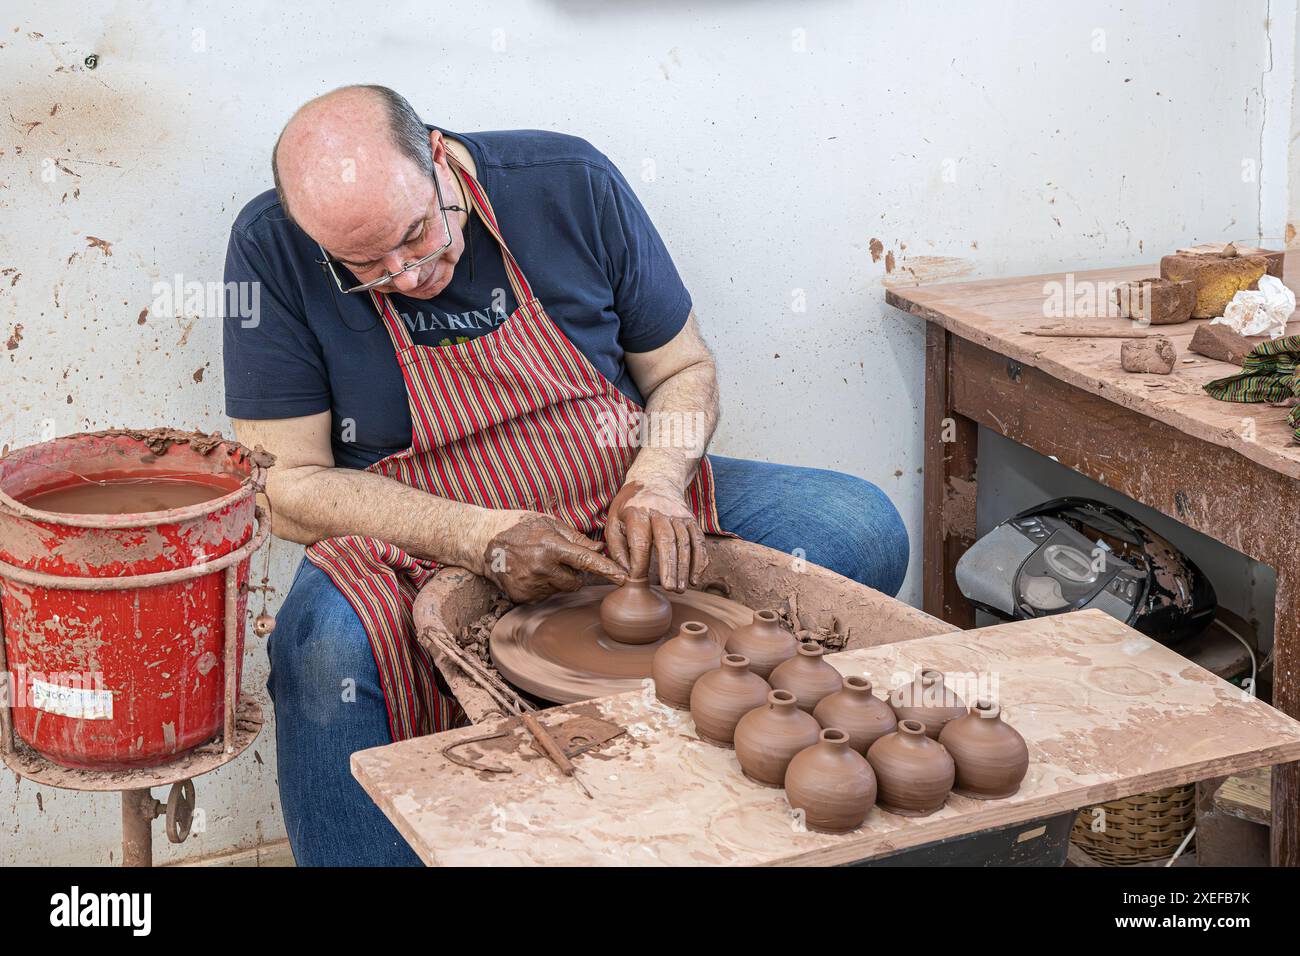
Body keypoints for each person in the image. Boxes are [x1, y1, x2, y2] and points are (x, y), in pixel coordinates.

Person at [222, 85, 908, 865]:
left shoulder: (567, 181)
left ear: (439, 158)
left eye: (417, 236)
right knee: (321, 655)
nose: (407, 274)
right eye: (366, 267)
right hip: (419, 535)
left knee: (857, 526)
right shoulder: (270, 248)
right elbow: (287, 484)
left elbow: (682, 367)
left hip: (613, 490)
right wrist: (481, 537)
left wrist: (657, 481)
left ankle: (746, 790)